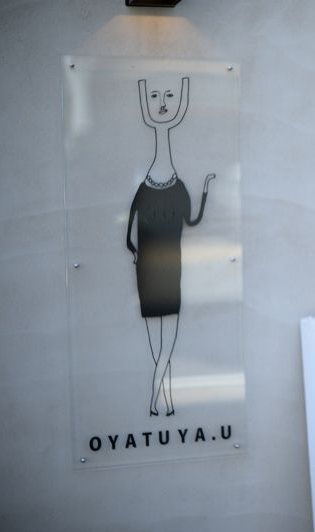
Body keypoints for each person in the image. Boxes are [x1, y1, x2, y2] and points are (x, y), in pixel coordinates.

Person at [126, 76, 215, 416]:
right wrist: (134, 251)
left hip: (168, 269)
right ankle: (165, 397)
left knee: (167, 338)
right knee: (157, 337)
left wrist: (205, 189)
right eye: (153, 96)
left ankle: (156, 399)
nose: (162, 105)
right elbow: (129, 233)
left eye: (170, 97)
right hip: (148, 271)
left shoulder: (178, 189)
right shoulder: (144, 189)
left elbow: (192, 221)